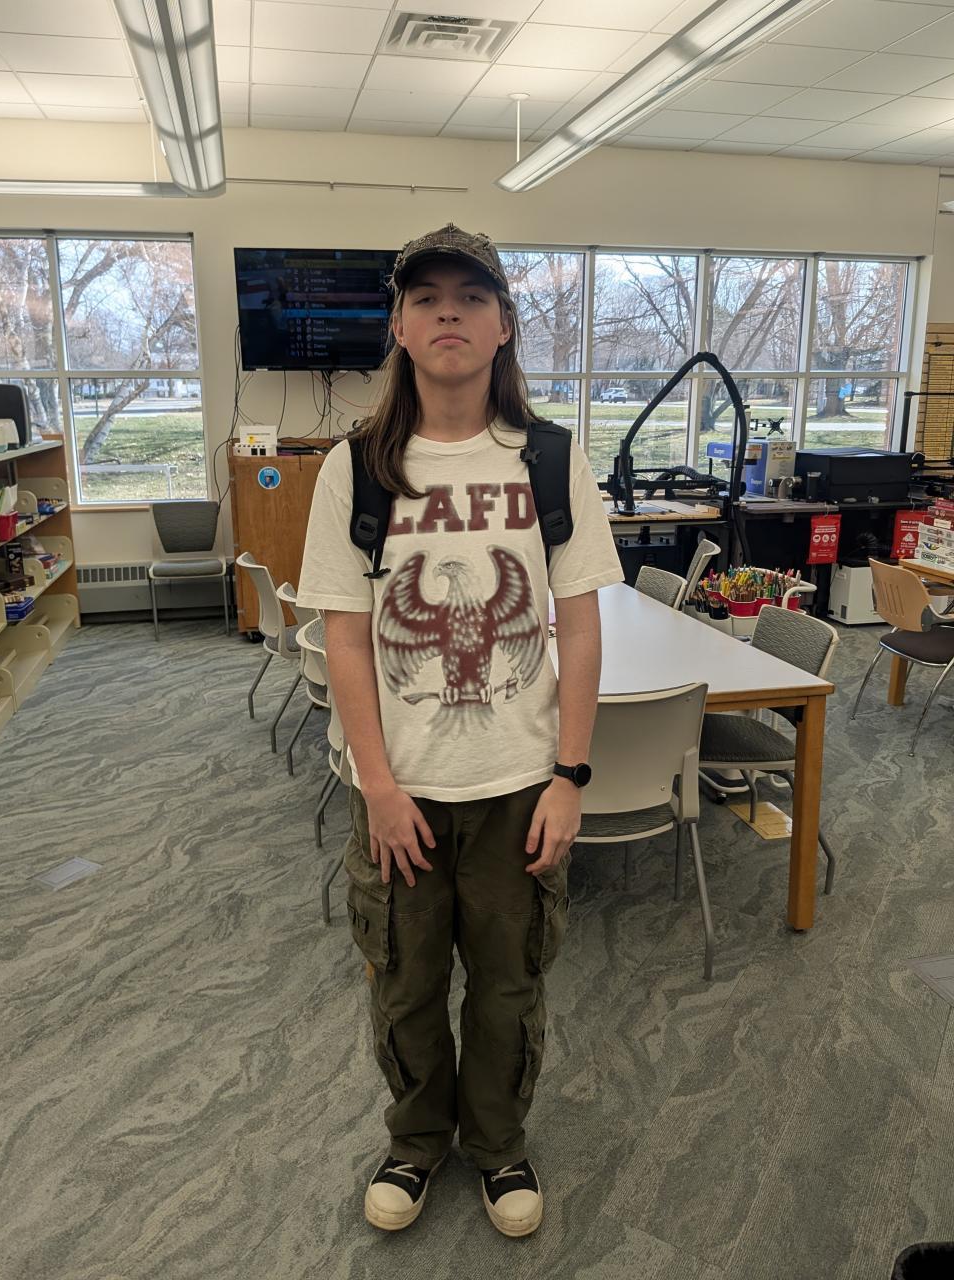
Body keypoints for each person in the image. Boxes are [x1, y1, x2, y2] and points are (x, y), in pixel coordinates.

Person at [296, 224, 624, 1237]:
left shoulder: (552, 460)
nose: (450, 313)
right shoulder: (356, 469)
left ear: (504, 324)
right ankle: (415, 1140)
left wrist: (570, 774)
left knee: (508, 986)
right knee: (404, 983)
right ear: (398, 325)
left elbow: (578, 625)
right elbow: (346, 638)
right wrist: (377, 785)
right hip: (401, 790)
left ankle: (497, 1143)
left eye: (472, 296)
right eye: (427, 297)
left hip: (518, 785)